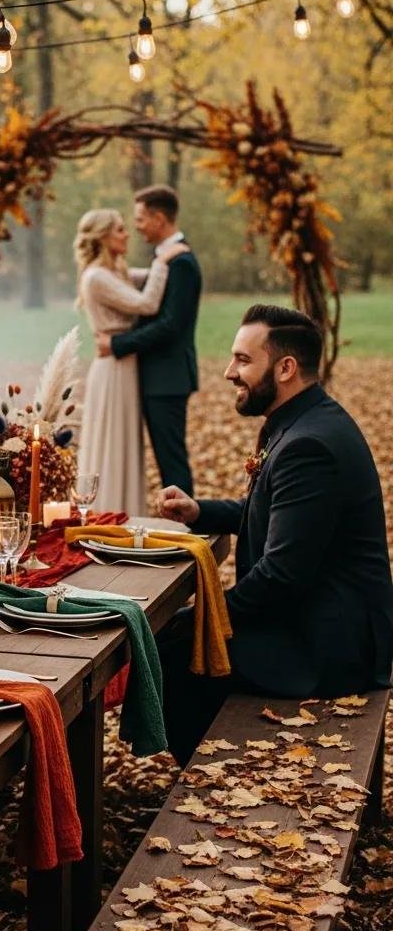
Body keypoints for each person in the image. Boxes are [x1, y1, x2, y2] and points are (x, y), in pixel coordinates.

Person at [156, 305, 393, 765]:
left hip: (328, 648)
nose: (229, 372)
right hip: (316, 618)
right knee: (177, 640)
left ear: (286, 368)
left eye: (243, 360)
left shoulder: (309, 445)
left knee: (172, 648)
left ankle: (209, 778)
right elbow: (279, 514)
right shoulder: (304, 421)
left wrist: (199, 616)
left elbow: (281, 577)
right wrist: (200, 510)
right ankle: (206, 767)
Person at [74, 209, 189, 515]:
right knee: (112, 443)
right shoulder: (97, 277)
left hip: (124, 364)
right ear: (103, 237)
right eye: (120, 230)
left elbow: (149, 280)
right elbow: (147, 303)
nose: (127, 234)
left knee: (124, 443)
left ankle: (124, 511)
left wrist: (164, 261)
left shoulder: (116, 272)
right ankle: (108, 511)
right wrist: (163, 261)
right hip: (112, 368)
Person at [95, 185, 202, 495]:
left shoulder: (181, 262)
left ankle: (186, 528)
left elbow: (171, 325)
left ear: (158, 218)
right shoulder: (167, 259)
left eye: (140, 219)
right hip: (155, 376)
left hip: (167, 379)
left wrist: (117, 344)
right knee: (165, 459)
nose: (136, 226)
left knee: (171, 461)